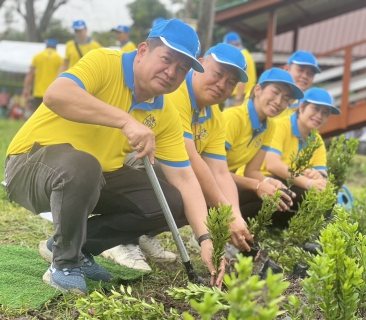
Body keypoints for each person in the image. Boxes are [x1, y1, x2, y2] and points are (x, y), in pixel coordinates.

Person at [4, 19, 227, 295]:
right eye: (166, 59)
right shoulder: (104, 61)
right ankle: (65, 264)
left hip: (92, 177)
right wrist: (125, 121)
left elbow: (184, 177)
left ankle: (73, 248)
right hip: (29, 165)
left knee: (171, 202)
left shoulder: (165, 112)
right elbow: (56, 94)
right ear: (143, 50)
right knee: (83, 164)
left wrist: (206, 238)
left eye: (182, 69)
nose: (171, 72)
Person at [104, 43, 257, 269]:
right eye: (217, 74)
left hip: (160, 169)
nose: (222, 85)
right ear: (201, 65)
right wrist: (227, 215)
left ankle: (144, 234)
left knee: (202, 188)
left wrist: (235, 215)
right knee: (186, 183)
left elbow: (220, 171)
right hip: (122, 165)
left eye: (231, 82)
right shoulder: (176, 92)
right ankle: (119, 240)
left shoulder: (214, 115)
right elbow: (189, 158)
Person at [224, 68, 303, 221]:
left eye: (286, 98)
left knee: (281, 196)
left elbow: (252, 171)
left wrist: (269, 182)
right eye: (275, 92)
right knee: (253, 196)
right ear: (258, 90)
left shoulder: (269, 125)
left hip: (230, 181)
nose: (279, 102)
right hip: (211, 181)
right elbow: (213, 171)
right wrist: (257, 186)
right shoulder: (233, 118)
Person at [261, 87, 341, 228]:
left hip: (293, 185)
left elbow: (322, 173)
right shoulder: (280, 126)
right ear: (302, 106)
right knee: (298, 192)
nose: (319, 116)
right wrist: (309, 183)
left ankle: (313, 238)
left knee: (326, 192)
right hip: (265, 180)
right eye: (315, 109)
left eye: (325, 113)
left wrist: (318, 176)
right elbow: (272, 165)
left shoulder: (316, 140)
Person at [23, 39, 63, 112]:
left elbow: (30, 73)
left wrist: (26, 88)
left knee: (38, 115)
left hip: (38, 92)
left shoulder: (37, 57)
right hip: (53, 92)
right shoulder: (60, 59)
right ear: (56, 48)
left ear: (46, 46)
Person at [279, 50, 321, 118]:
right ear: (286, 69)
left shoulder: (309, 109)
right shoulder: (270, 97)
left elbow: (312, 128)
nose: (304, 76)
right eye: (300, 70)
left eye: (310, 74)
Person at [223, 31, 257, 107]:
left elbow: (241, 79)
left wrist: (238, 98)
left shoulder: (240, 56)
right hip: (246, 96)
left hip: (240, 97)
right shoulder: (246, 54)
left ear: (231, 43)